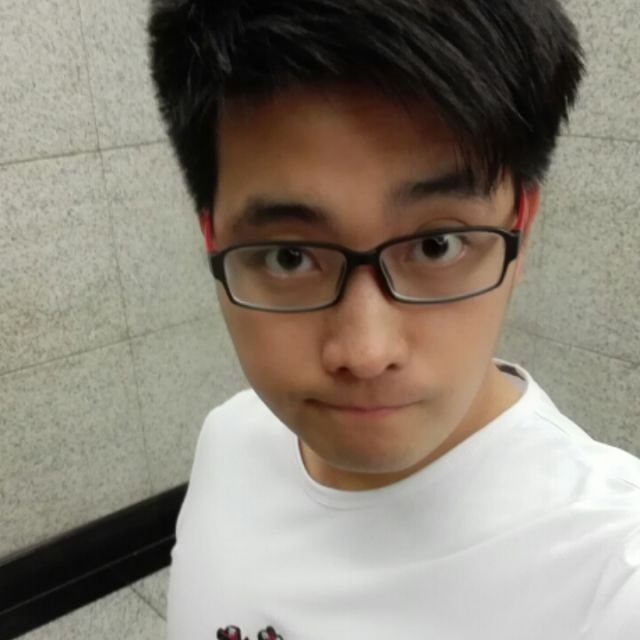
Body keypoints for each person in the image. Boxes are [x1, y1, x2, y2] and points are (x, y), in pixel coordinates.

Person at [147, 1, 640, 638]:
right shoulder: (229, 440)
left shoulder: (611, 570)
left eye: (437, 245)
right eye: (290, 256)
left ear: (520, 230)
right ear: (213, 239)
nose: (366, 351)